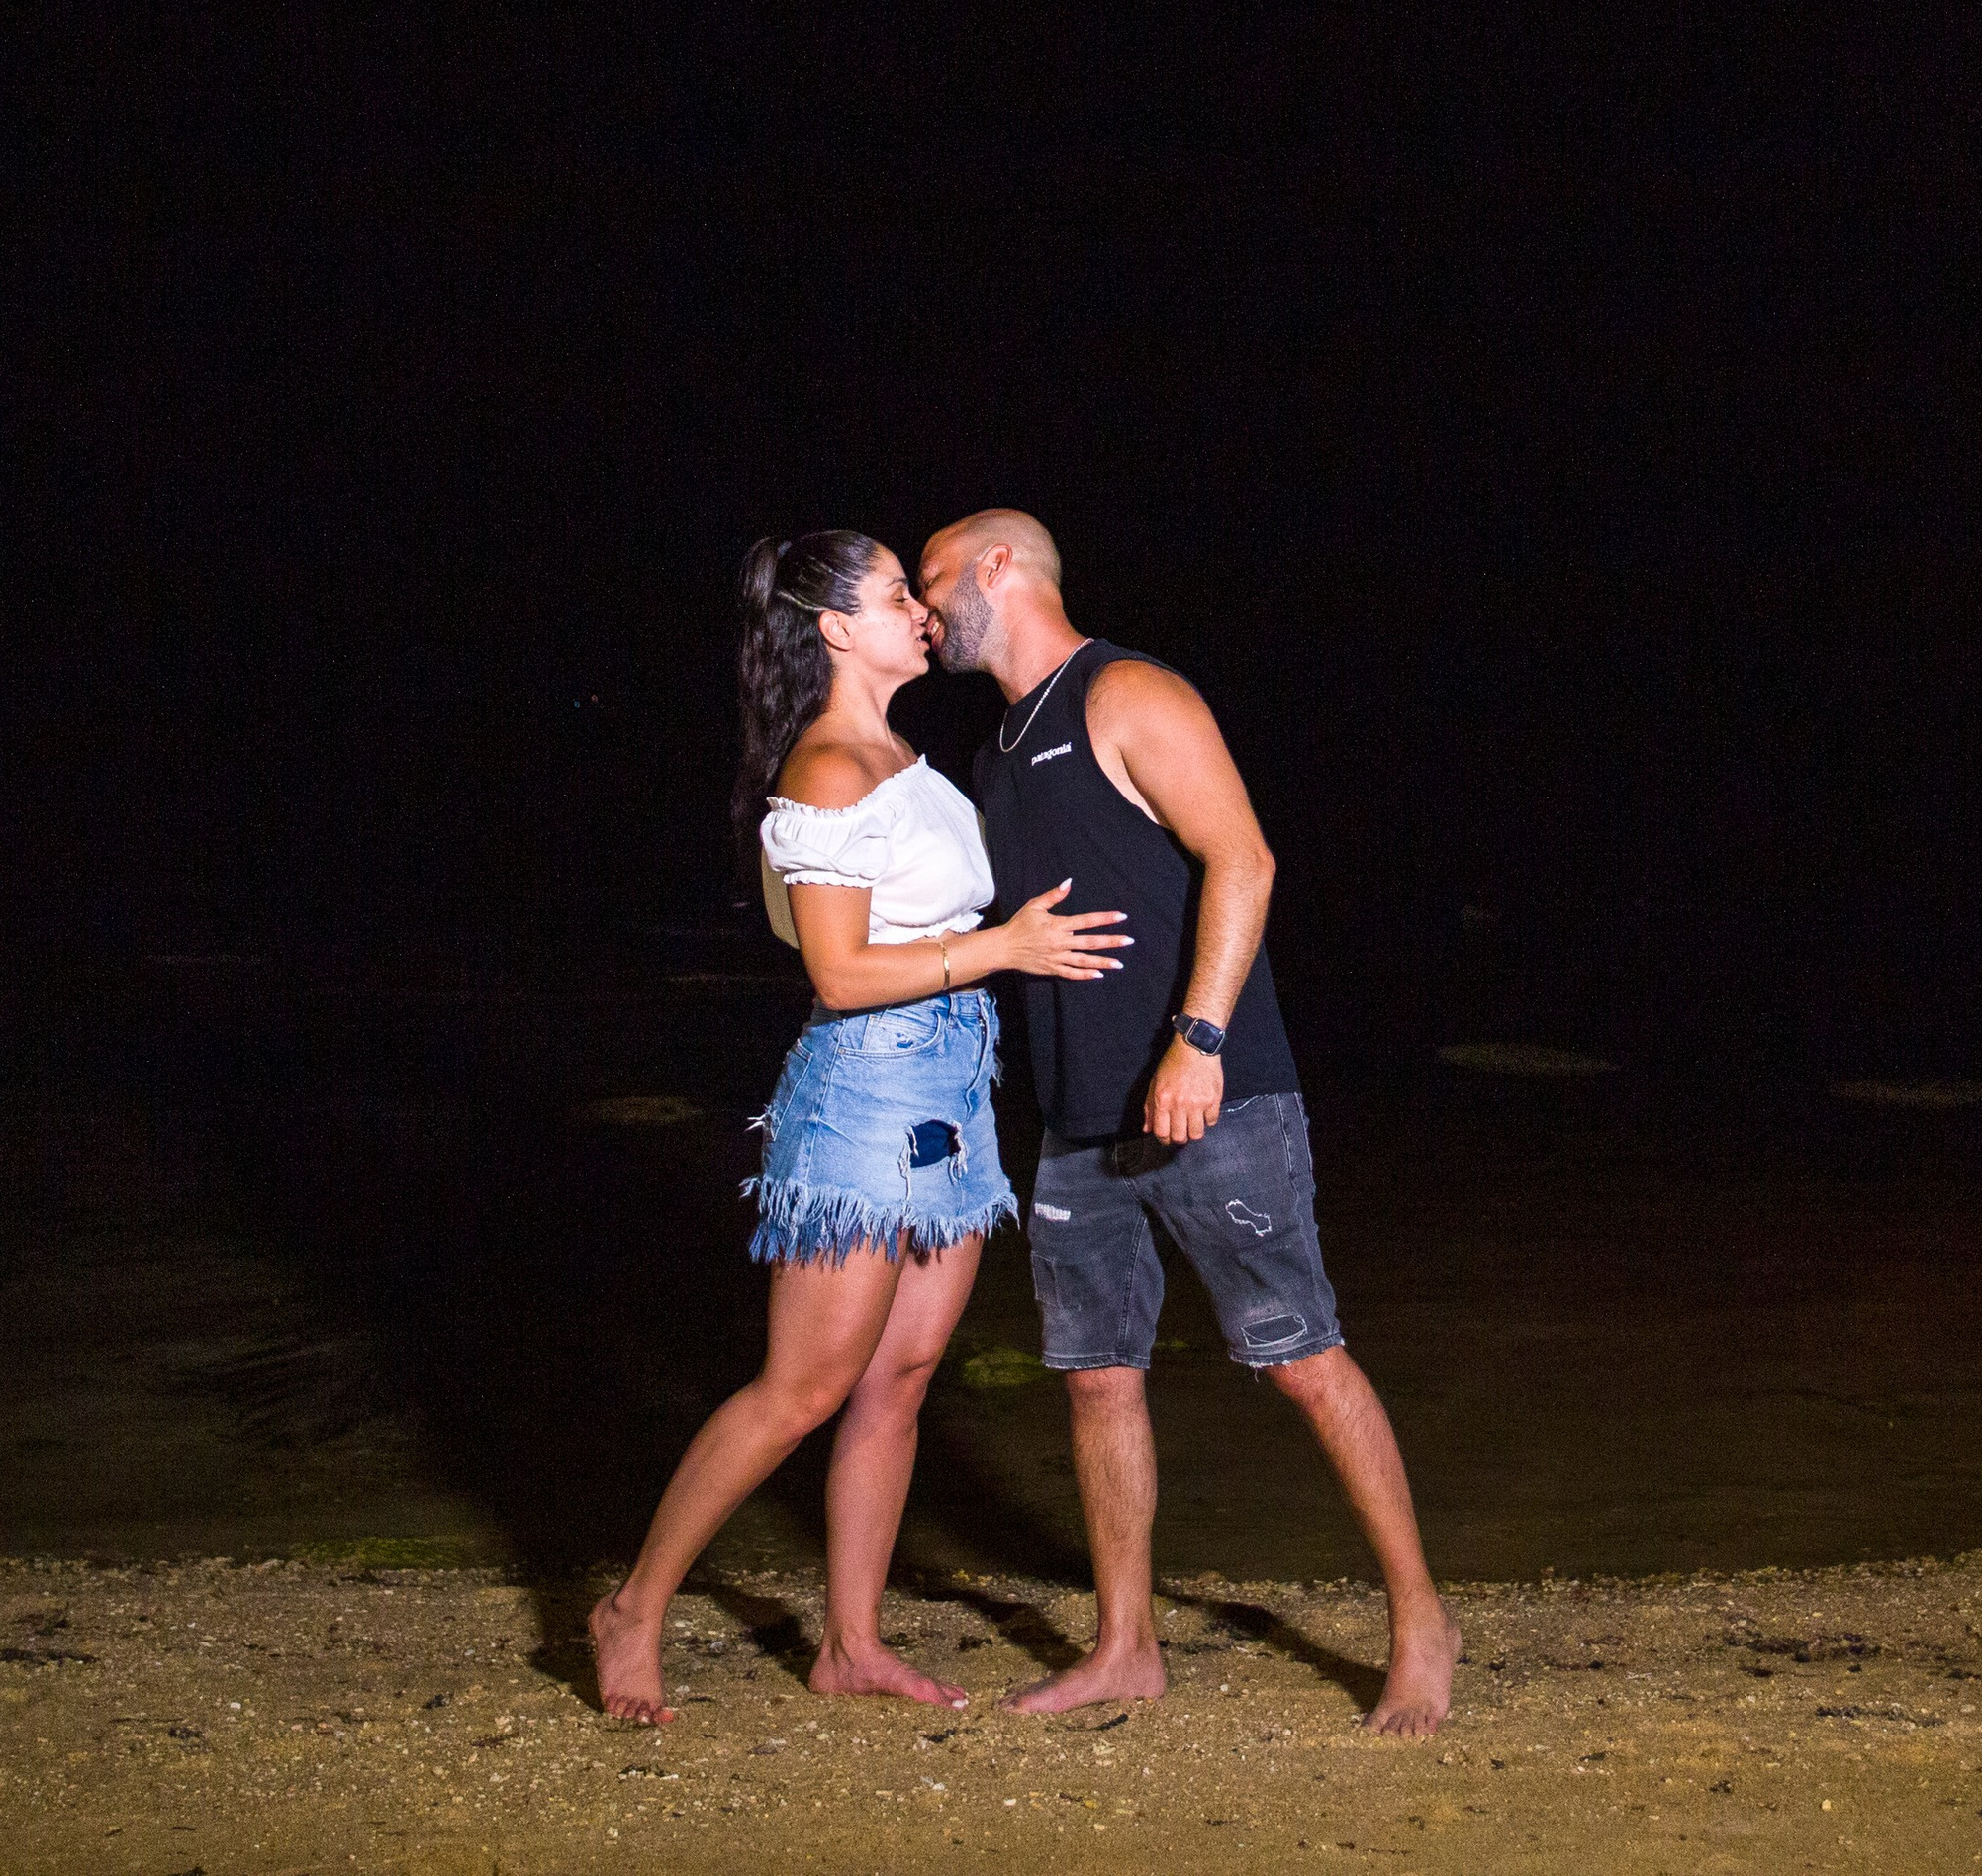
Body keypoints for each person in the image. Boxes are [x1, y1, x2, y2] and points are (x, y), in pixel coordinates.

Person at [916, 509, 1460, 1738]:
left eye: (934, 573)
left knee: (1299, 1359)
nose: (921, 596)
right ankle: (1125, 1647)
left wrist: (1199, 1038)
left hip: (1213, 1097)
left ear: (1000, 566)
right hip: (1074, 1125)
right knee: (1097, 1383)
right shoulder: (998, 746)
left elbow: (1247, 859)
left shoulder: (1128, 691)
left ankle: (1421, 1618)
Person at [589, 529, 1131, 1725]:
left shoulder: (904, 752)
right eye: (896, 595)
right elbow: (836, 974)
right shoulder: (829, 766)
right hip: (866, 1092)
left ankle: (850, 1642)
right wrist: (1002, 946)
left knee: (902, 1379)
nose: (921, 612)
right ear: (834, 628)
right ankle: (632, 1607)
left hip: (953, 1088)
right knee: (801, 1387)